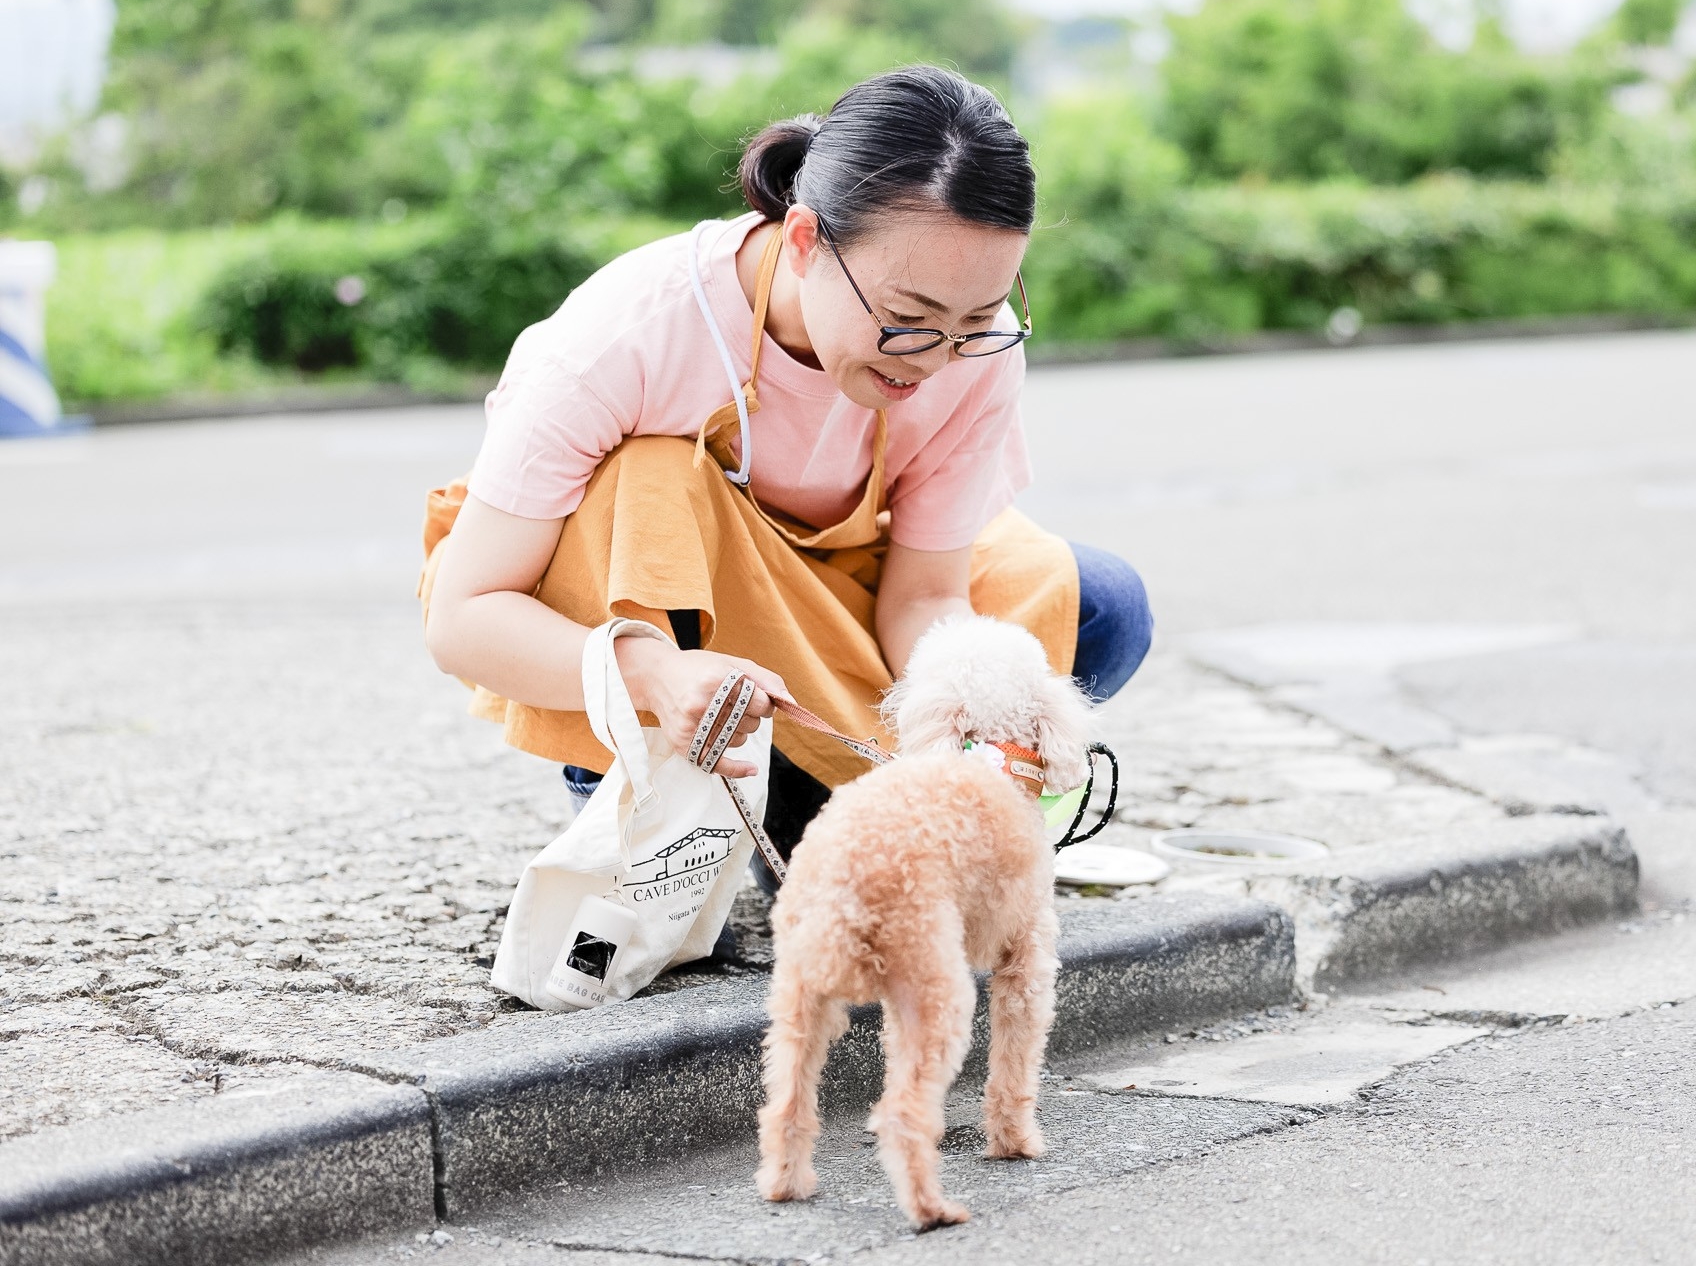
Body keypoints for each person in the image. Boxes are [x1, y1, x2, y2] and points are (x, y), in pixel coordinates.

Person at [420, 65, 1152, 860]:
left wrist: (978, 709)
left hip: (833, 600)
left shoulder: (976, 352)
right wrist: (655, 676)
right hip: (667, 635)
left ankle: (810, 794)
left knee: (1100, 607)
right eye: (909, 321)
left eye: (978, 318)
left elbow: (925, 593)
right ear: (804, 240)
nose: (938, 360)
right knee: (649, 475)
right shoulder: (624, 334)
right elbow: (464, 615)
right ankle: (647, 798)